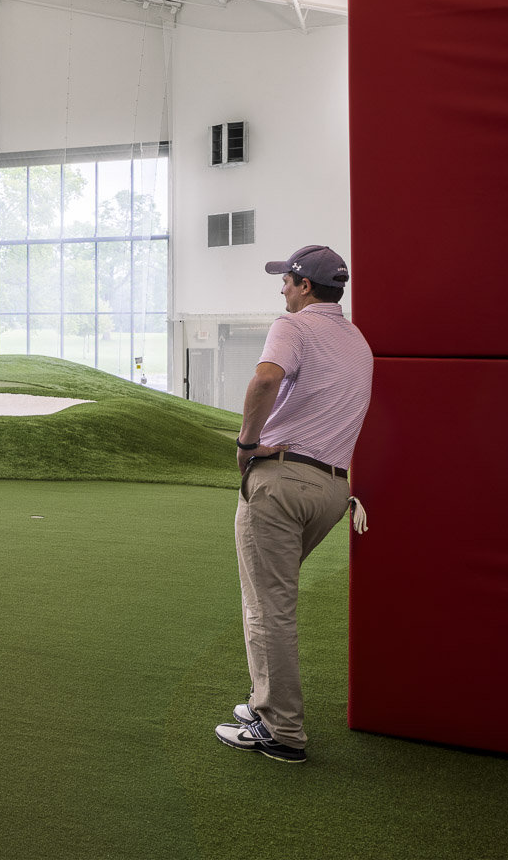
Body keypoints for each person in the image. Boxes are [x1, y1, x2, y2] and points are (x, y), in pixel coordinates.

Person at [215, 245, 373, 763]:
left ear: (305, 285)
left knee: (268, 607)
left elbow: (264, 379)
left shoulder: (295, 326)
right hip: (332, 492)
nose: (281, 287)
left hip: (282, 482)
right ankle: (266, 706)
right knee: (273, 601)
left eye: (286, 279)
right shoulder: (358, 341)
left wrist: (244, 444)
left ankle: (281, 730)